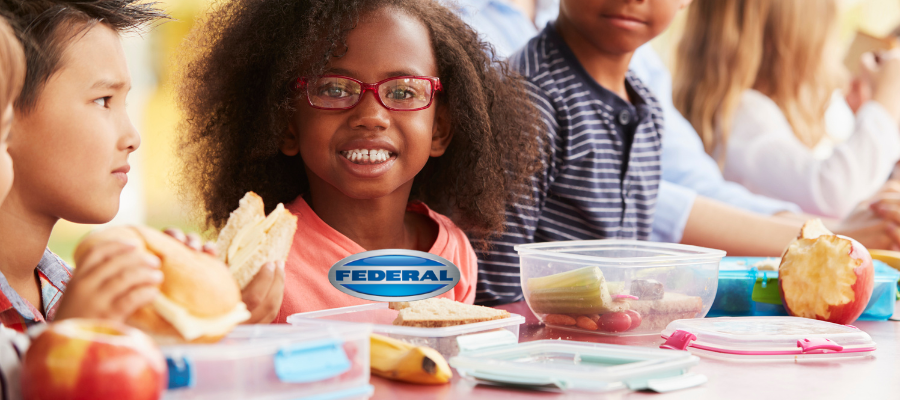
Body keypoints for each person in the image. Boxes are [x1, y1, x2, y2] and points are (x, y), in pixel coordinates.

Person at [177, 0, 543, 317]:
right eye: (335, 88)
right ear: (286, 124)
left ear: (439, 130)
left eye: (403, 91)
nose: (371, 115)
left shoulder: (453, 250)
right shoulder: (258, 262)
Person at [674, 0, 900, 219]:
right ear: (792, 42)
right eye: (829, 37)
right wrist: (885, 102)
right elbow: (835, 198)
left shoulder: (737, 112)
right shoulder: (743, 113)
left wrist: (870, 116)